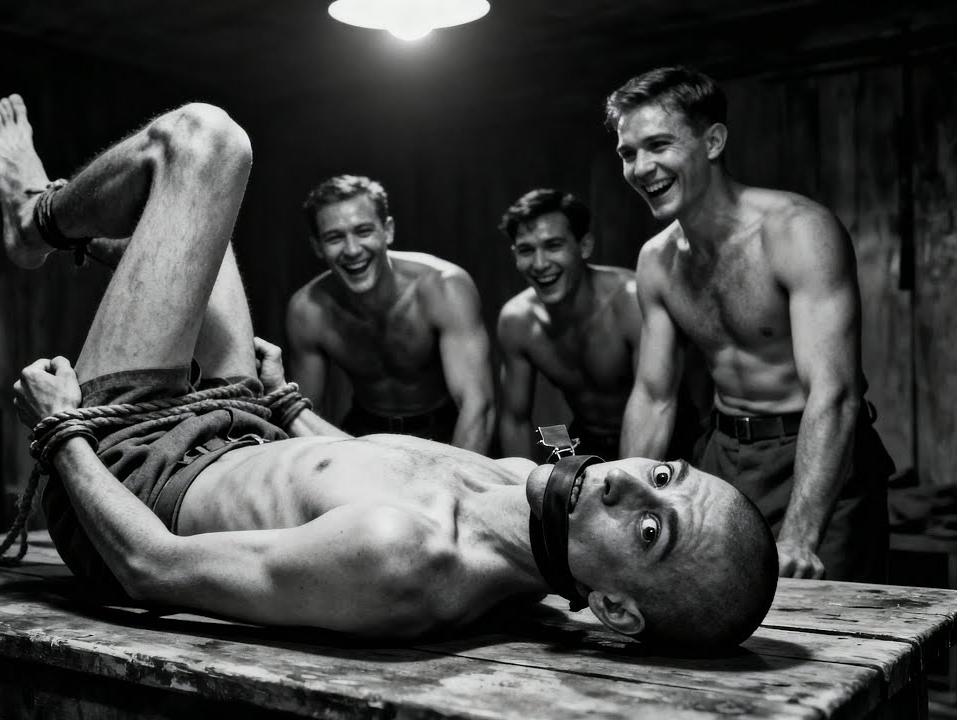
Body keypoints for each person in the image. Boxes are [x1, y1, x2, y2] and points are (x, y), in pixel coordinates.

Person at [0, 93, 777, 653]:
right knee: (201, 222)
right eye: (662, 476)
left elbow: (150, 566)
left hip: (136, 468)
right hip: (266, 426)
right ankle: (105, 249)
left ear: (613, 608)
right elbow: (424, 444)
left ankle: (38, 218)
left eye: (650, 531)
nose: (628, 486)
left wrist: (61, 430)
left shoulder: (407, 556)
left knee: (204, 142)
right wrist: (286, 404)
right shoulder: (520, 431)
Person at [610, 66, 894, 582]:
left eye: (658, 145)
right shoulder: (656, 261)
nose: (642, 167)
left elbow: (835, 392)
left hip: (817, 454)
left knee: (826, 622)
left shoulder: (797, 231)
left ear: (713, 141)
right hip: (725, 459)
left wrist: (801, 536)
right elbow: (653, 397)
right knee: (712, 613)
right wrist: (623, 513)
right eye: (628, 153)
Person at [285, 175, 494, 452]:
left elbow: (477, 405)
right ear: (317, 247)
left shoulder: (443, 287)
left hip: (447, 430)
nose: (352, 250)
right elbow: (306, 415)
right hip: (366, 436)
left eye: (363, 231)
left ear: (388, 230)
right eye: (334, 238)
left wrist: (457, 474)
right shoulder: (308, 310)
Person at [497, 189, 709, 462]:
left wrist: (625, 480)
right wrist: (517, 483)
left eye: (553, 246)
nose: (539, 264)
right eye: (526, 250)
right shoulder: (517, 321)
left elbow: (654, 402)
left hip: (667, 438)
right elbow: (515, 420)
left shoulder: (630, 302)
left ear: (584, 246)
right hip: (589, 440)